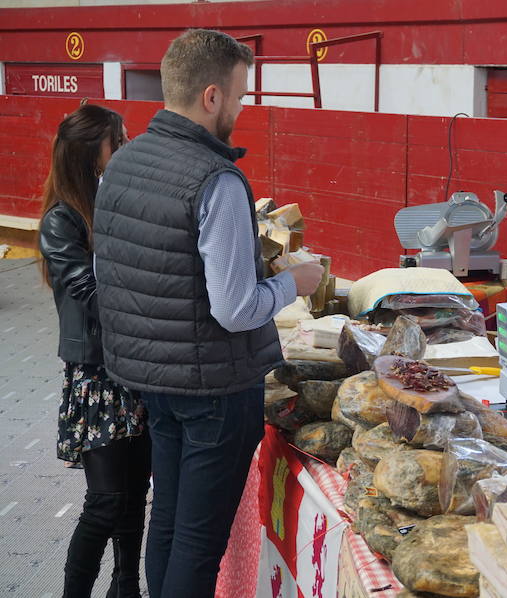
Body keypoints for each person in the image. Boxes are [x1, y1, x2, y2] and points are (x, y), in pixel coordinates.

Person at [91, 29, 323, 598]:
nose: (241, 110)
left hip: (151, 378)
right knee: (197, 540)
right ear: (212, 96)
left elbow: (116, 275)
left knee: (167, 519)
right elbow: (236, 308)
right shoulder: (215, 178)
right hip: (214, 391)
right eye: (241, 97)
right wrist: (296, 280)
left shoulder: (124, 162)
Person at [38, 103, 151, 598]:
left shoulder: (114, 202)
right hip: (98, 378)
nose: (125, 149)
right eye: (117, 142)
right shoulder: (61, 221)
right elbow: (90, 292)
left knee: (133, 497)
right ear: (91, 155)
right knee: (105, 501)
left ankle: (126, 585)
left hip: (137, 369)